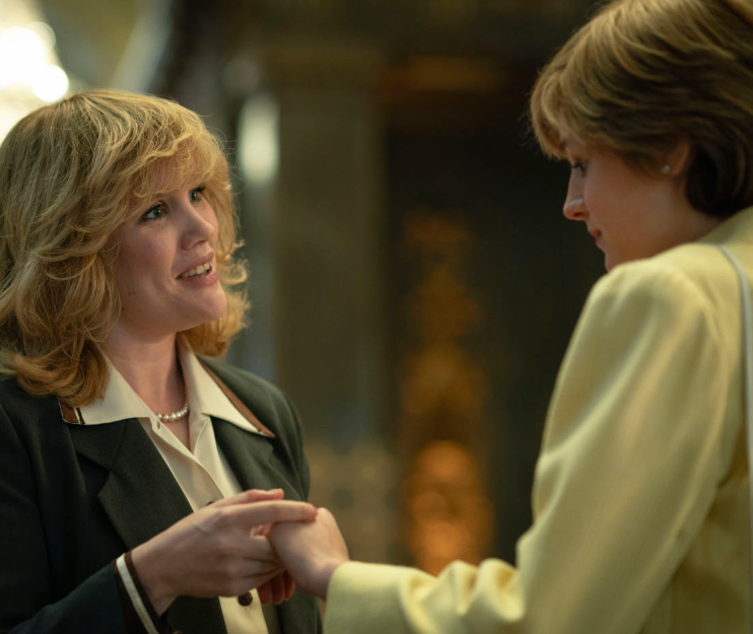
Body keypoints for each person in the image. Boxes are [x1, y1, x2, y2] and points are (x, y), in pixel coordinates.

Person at [268, 0, 753, 631]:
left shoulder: (672, 295)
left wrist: (338, 578)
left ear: (670, 150)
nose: (573, 204)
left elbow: (551, 618)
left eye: (583, 163)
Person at [0, 90, 322, 634]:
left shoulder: (264, 411)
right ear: (72, 252)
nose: (203, 229)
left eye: (198, 193)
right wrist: (151, 577)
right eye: (155, 211)